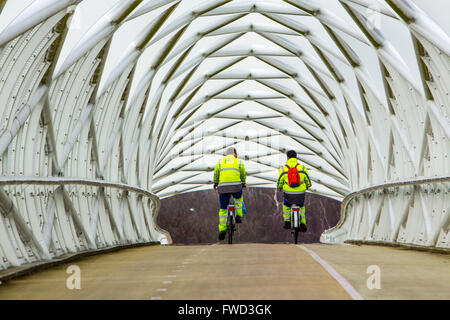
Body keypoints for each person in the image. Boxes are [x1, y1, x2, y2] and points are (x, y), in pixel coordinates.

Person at [213, 147, 247, 240]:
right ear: (234, 153)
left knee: (223, 209)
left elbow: (216, 174)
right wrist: (243, 182)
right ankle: (239, 216)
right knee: (238, 199)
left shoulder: (220, 162)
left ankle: (222, 230)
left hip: (223, 187)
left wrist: (216, 183)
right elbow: (243, 174)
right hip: (236, 186)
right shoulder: (239, 162)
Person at [276, 150, 311, 231]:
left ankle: (287, 222)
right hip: (300, 193)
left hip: (288, 193)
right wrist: (308, 185)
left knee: (286, 206)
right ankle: (302, 224)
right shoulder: (302, 167)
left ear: (287, 157)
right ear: (296, 157)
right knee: (301, 207)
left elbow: (280, 181)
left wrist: (279, 187)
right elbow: (307, 179)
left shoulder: (283, 169)